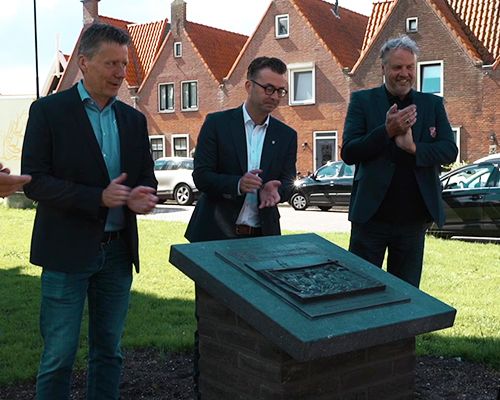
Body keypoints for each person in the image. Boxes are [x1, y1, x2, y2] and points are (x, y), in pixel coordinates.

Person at [21, 23, 158, 400]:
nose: (120, 73)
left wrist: (140, 197)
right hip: (66, 253)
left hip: (117, 254)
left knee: (109, 353)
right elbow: (35, 182)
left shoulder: (133, 119)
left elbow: (145, 177)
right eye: (111, 63)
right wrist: (98, 197)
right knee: (58, 356)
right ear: (83, 62)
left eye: (124, 64)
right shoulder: (48, 111)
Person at [341, 35, 458, 288]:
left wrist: (414, 148)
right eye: (397, 67)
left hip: (413, 220)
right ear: (383, 68)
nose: (404, 73)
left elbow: (450, 151)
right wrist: (386, 131)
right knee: (359, 289)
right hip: (370, 218)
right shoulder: (362, 101)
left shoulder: (432, 104)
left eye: (409, 67)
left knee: (405, 293)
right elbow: (349, 152)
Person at [185, 56, 297, 243]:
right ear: (248, 86)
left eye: (280, 91)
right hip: (214, 234)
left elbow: (288, 181)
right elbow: (201, 176)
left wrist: (277, 191)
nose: (275, 96)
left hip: (263, 236)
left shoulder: (286, 135)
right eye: (269, 89)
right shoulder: (216, 124)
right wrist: (237, 184)